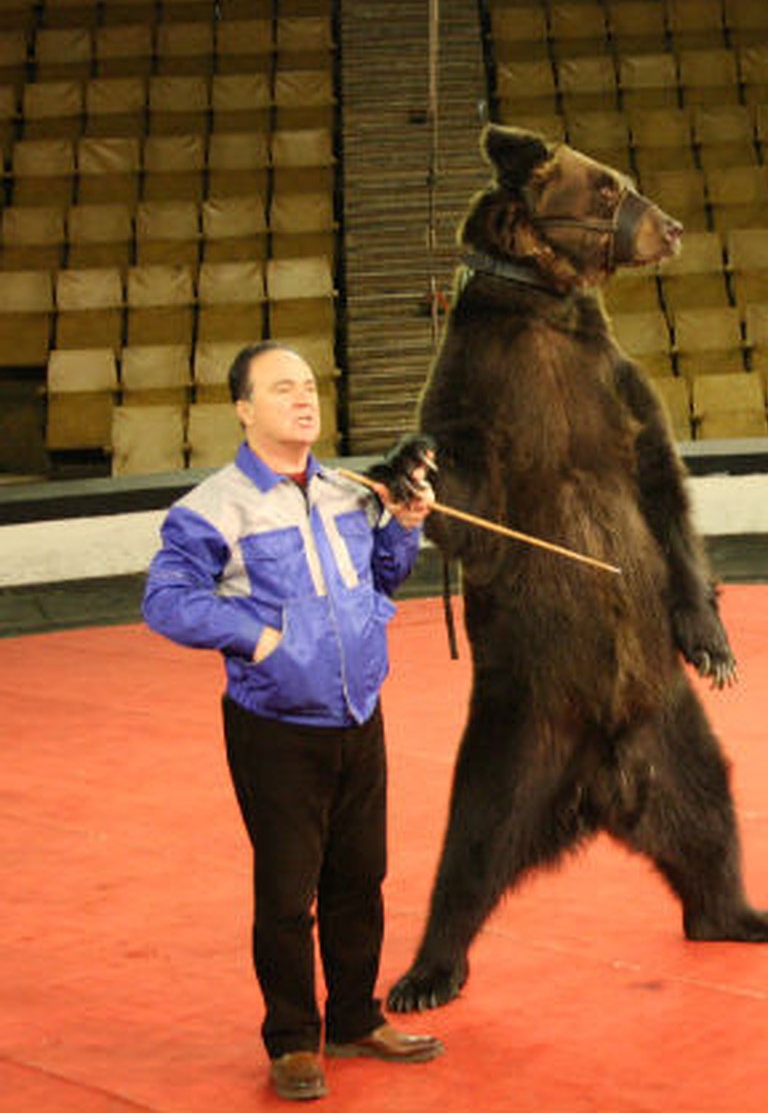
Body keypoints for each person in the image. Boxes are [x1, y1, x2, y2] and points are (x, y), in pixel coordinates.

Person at [143, 341, 443, 1102]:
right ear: (244, 409)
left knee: (360, 878)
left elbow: (380, 576)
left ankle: (351, 1018)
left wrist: (403, 526)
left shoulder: (346, 490)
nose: (304, 399)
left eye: (309, 387)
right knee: (287, 894)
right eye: (283, 389)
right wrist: (259, 639)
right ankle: (291, 1040)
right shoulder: (213, 508)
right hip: (275, 725)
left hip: (358, 713)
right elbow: (167, 600)